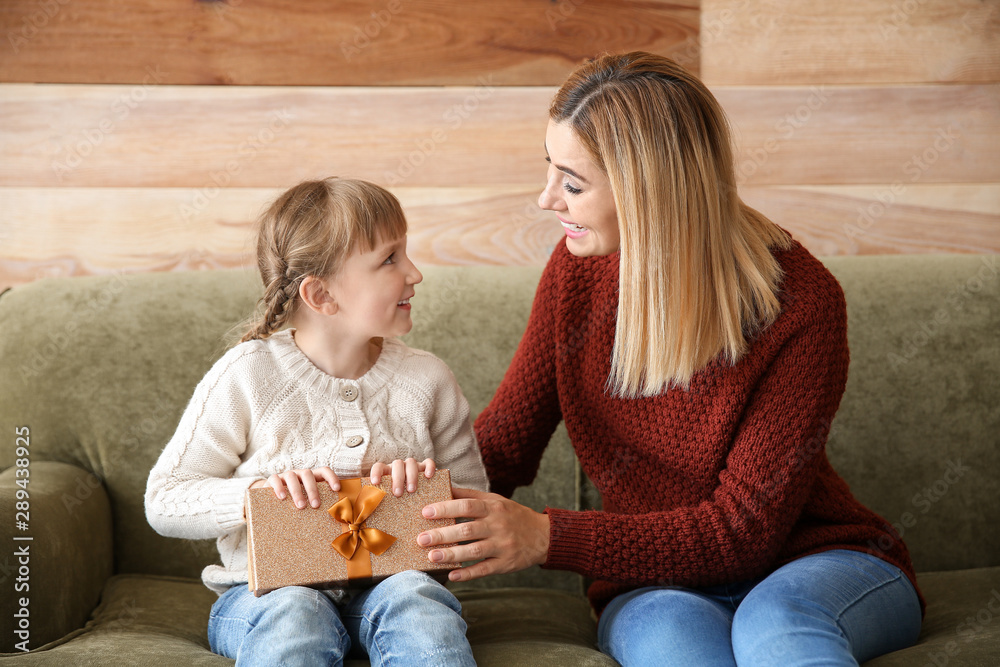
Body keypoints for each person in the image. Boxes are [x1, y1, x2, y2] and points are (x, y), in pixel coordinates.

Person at [415, 52, 924, 665]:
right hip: (656, 585)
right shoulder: (575, 275)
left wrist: (548, 537)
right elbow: (497, 449)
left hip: (819, 561)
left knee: (779, 628)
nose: (547, 198)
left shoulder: (803, 304)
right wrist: (364, 524)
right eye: (549, 169)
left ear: (649, 192)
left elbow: (740, 531)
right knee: (676, 649)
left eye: (572, 183)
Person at [145, 177, 488, 667]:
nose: (414, 272)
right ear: (321, 294)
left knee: (417, 601)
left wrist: (428, 495)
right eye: (390, 259)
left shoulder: (428, 380)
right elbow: (165, 499)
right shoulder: (248, 374)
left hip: (389, 590)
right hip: (262, 597)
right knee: (296, 611)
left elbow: (473, 514)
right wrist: (257, 495)